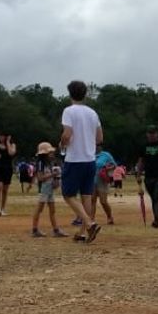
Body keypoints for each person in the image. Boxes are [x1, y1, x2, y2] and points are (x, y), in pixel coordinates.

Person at [58, 80, 103, 243]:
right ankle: (83, 232)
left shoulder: (69, 111)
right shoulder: (93, 113)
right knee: (86, 196)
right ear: (85, 94)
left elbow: (67, 133)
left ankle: (89, 224)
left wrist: (62, 143)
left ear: (70, 94)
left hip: (74, 159)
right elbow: (100, 138)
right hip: (90, 159)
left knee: (68, 195)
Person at [135, 125, 158, 229]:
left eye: (153, 133)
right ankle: (156, 218)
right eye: (149, 133)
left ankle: (157, 220)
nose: (151, 135)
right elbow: (141, 162)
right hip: (148, 177)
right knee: (153, 198)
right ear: (147, 134)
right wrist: (138, 175)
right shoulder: (144, 146)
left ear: (157, 134)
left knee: (157, 197)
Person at [30, 142, 67, 238]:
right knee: (40, 209)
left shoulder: (48, 163)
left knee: (52, 209)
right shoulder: (41, 163)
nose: (52, 154)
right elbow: (40, 177)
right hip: (44, 188)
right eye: (50, 152)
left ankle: (56, 229)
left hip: (49, 188)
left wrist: (55, 179)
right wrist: (53, 175)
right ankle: (35, 229)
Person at [92, 143, 117, 225]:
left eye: (98, 145)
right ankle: (91, 219)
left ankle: (109, 216)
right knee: (92, 200)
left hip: (102, 180)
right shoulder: (89, 154)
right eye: (95, 145)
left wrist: (107, 168)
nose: (96, 147)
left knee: (103, 201)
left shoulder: (106, 155)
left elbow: (114, 165)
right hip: (91, 179)